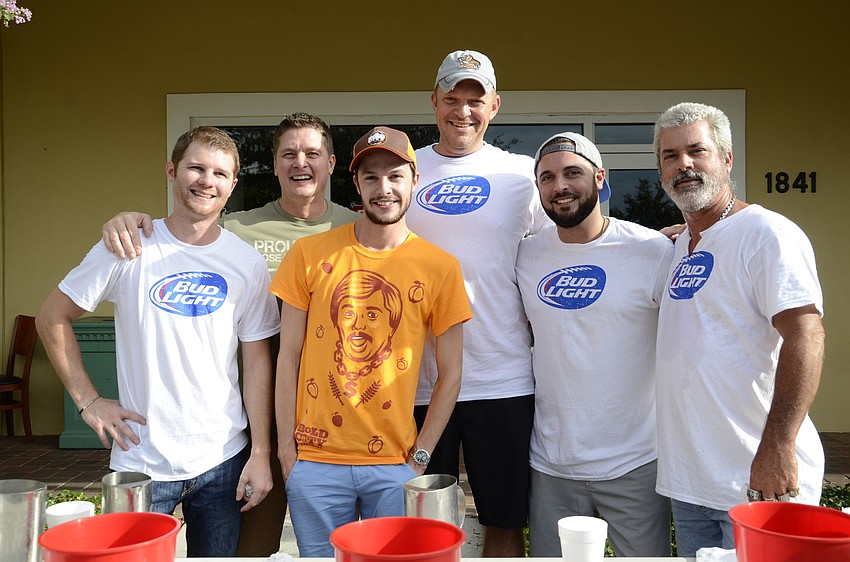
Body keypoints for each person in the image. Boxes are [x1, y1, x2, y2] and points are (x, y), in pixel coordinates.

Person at [99, 112, 360, 557]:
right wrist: (126, 220)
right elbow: (185, 229)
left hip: (335, 412)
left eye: (312, 153)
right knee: (250, 544)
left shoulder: (355, 229)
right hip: (256, 417)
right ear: (274, 164)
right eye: (289, 154)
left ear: (331, 163)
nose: (301, 163)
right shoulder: (239, 229)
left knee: (338, 541)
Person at [36, 126, 280, 557]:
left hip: (223, 458)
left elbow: (258, 361)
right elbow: (52, 317)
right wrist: (89, 401)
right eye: (196, 168)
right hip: (140, 461)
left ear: (232, 185)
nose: (207, 181)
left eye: (220, 173)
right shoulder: (128, 245)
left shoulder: (247, 261)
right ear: (171, 171)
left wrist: (260, 452)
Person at [270, 126, 471, 557]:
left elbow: (452, 373)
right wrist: (288, 452)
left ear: (414, 180)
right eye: (372, 177)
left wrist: (419, 458)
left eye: (395, 176)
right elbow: (288, 357)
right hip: (315, 462)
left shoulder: (440, 267)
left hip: (395, 464)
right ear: (357, 184)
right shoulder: (308, 254)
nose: (384, 189)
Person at [652, 102, 826, 556]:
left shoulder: (767, 234)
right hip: (692, 483)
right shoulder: (678, 247)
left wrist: (779, 445)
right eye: (670, 155)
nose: (683, 164)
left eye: (697, 150)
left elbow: (806, 335)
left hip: (759, 478)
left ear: (727, 158)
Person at [408, 49, 548, 557]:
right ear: (434, 102)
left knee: (505, 522)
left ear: (495, 106)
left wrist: (656, 238)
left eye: (475, 100)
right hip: (417, 383)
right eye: (452, 98)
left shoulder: (522, 175)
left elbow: (570, 242)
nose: (462, 111)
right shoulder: (404, 169)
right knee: (423, 527)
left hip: (503, 379)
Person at [516, 132, 674, 557]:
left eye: (573, 173)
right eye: (547, 177)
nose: (560, 186)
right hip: (551, 464)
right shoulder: (525, 256)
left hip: (634, 462)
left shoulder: (653, 251)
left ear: (600, 179)